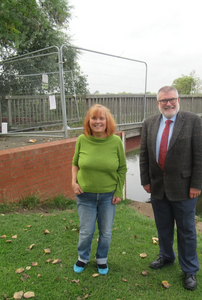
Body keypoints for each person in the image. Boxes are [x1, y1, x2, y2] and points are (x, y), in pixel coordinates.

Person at [139, 86, 202, 290]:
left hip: (185, 188)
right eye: (164, 101)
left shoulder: (193, 120)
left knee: (186, 231)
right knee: (163, 227)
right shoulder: (150, 123)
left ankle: (189, 270)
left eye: (172, 99)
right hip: (158, 187)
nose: (168, 104)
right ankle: (167, 257)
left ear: (178, 99)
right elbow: (144, 155)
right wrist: (145, 180)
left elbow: (201, 156)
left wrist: (197, 184)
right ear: (157, 103)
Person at [71, 104, 127, 275]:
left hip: (108, 196)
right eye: (94, 118)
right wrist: (73, 182)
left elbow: (122, 168)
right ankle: (83, 257)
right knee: (86, 231)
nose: (97, 122)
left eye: (101, 118)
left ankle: (101, 258)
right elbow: (75, 163)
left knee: (106, 232)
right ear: (89, 121)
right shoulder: (82, 140)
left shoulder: (116, 141)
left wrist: (118, 191)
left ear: (107, 121)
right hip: (85, 195)